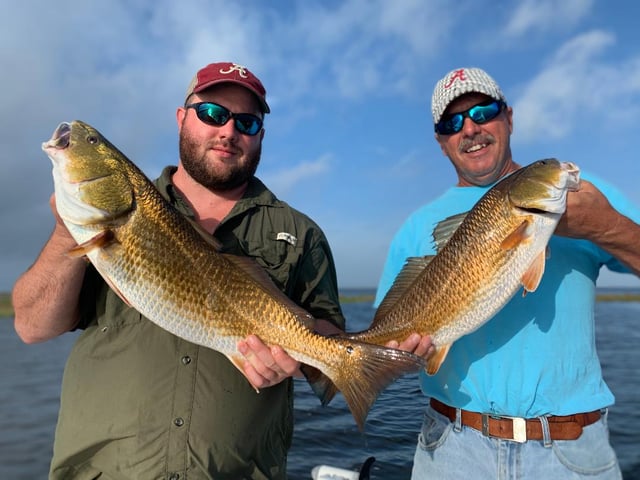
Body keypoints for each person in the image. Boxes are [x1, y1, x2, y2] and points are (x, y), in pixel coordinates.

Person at [12, 61, 349, 480]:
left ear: (260, 135)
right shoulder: (115, 220)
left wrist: (299, 360)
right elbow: (31, 326)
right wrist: (66, 234)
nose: (228, 131)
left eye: (246, 121)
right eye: (212, 113)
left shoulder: (301, 234)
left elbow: (329, 343)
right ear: (181, 118)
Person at [374, 67, 640, 479]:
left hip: (571, 453)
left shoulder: (586, 195)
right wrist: (398, 356)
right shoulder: (415, 227)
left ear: (509, 117)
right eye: (452, 122)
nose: (470, 128)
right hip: (451, 447)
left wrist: (602, 225)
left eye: (483, 112)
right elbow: (386, 351)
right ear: (441, 143)